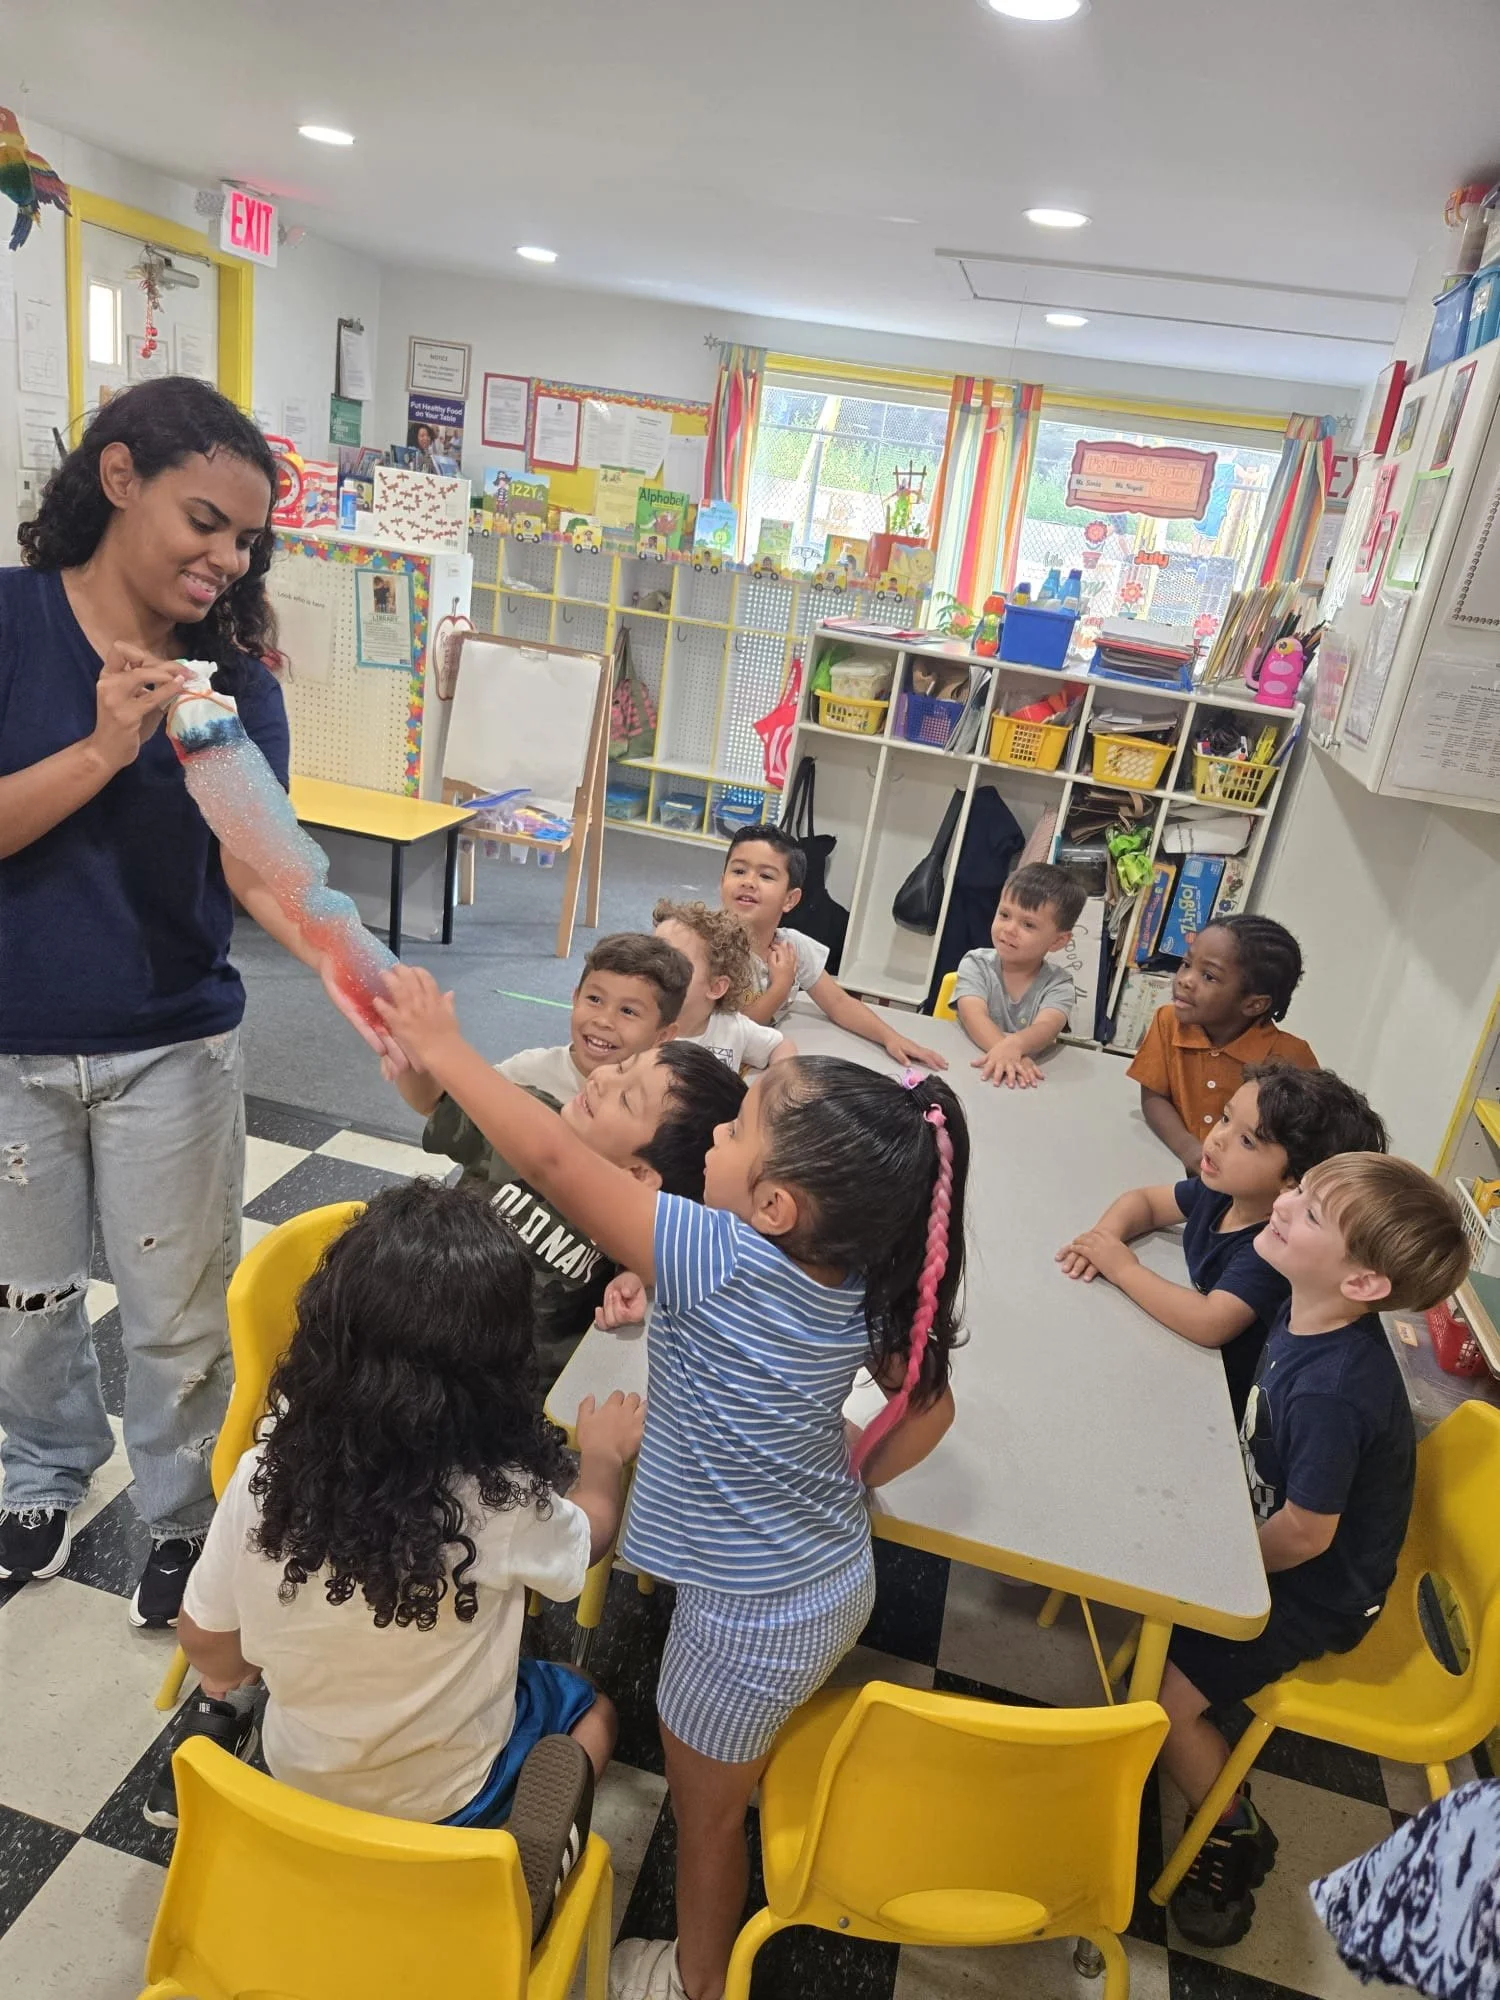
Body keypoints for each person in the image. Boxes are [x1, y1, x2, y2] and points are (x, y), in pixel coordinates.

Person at [374, 965, 969, 2000]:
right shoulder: (861, 1270)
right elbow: (929, 1405)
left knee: (706, 1816)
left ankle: (698, 1978)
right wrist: (837, 1467)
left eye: (736, 1128)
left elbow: (554, 1156)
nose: (718, 1139)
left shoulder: (718, 1253)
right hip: (819, 1569)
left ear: (775, 1203)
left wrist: (446, 1046)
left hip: (747, 1620)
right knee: (723, 1776)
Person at [0, 377, 384, 1618]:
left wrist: (362, 973)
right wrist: (106, 748)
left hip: (172, 1043)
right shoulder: (12, 630)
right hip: (13, 1042)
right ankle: (37, 1470)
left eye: (246, 539)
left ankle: (181, 1512)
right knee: (27, 1295)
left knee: (175, 1310)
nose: (226, 557)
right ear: (120, 479)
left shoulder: (234, 686)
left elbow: (260, 870)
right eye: (205, 521)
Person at [151, 1181, 642, 1942]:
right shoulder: (502, 1501)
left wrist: (256, 1664)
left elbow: (207, 1646)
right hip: (452, 1803)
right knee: (591, 1707)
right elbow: (592, 1539)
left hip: (296, 1785)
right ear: (500, 1366)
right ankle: (529, 1871)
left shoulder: (265, 1474)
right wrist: (604, 1460)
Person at [1159, 1154, 1469, 1950]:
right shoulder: (1306, 1313)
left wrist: (1209, 1570)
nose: (1285, 1204)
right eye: (1298, 1190)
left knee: (1164, 1702)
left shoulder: (1336, 1387)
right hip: (1278, 1538)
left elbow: (1305, 1534)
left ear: (1362, 1283)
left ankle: (1231, 1833)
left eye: (1311, 1212)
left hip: (1318, 1591)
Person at [398, 1041, 745, 1382]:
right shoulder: (526, 1118)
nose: (603, 1078)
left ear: (639, 1175)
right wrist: (410, 1063)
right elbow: (434, 1100)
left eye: (626, 1100)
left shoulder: (630, 1227)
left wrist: (634, 1277)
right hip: (416, 1320)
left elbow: (675, 1250)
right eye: (623, 1066)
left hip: (504, 1384)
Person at [1057, 1064, 1388, 1419]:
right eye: (1226, 1118)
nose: (1217, 1138)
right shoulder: (1223, 1190)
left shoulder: (1273, 1247)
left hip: (1224, 1404)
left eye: (1247, 1141)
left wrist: (1123, 1268)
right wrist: (1104, 1238)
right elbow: (1145, 1203)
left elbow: (1210, 1322)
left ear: (1293, 1183)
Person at [722, 825, 946, 1070]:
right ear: (723, 880)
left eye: (765, 876)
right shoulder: (711, 948)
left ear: (790, 899)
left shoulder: (792, 946)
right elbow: (734, 1031)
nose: (748, 882)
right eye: (739, 870)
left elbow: (838, 1003)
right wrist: (781, 987)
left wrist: (891, 1038)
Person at [1128, 914, 1317, 1171]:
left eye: (1208, 976)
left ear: (1253, 1004)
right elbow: (1153, 1096)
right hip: (1171, 1167)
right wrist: (1188, 1150)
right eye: (1186, 964)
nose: (1185, 979)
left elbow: (1303, 1144)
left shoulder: (1291, 1057)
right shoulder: (1168, 1020)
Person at [500, 933, 690, 1104]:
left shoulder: (662, 1107)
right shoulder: (524, 1073)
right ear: (575, 998)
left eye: (628, 1011)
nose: (603, 1021)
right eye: (594, 999)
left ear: (663, 1035)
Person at [952, 862, 1085, 1088]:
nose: (1009, 929)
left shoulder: (1059, 984)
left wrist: (1015, 1045)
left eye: (1028, 925)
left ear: (1058, 941)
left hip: (1024, 1083)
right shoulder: (975, 963)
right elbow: (973, 1015)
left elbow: (1047, 1027)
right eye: (1004, 914)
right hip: (971, 1069)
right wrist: (1013, 1054)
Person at [653, 898, 796, 1073]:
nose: (655, 966)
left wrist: (778, 1082)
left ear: (716, 987)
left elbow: (780, 1045)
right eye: (652, 954)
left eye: (675, 961)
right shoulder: (638, 1025)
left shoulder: (731, 1027)